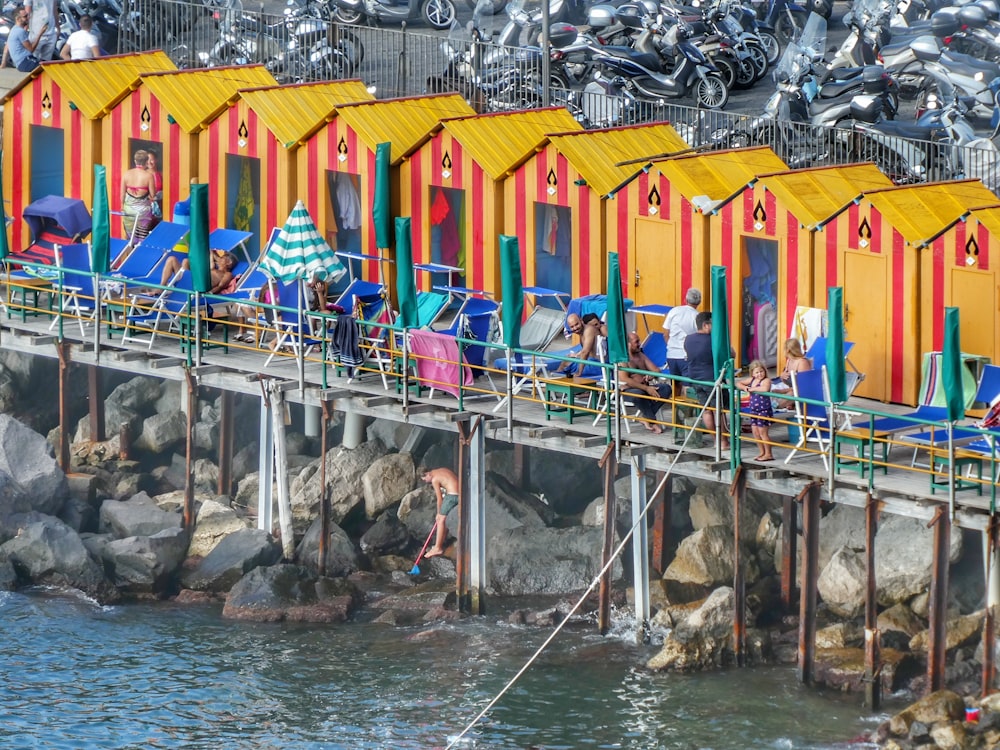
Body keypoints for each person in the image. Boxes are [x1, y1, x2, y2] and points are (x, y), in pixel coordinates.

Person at [685, 311, 729, 450]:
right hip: (711, 379)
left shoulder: (688, 339)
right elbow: (730, 354)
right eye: (713, 324)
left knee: (706, 411)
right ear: (705, 325)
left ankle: (716, 440)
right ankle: (723, 442)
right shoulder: (713, 340)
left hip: (695, 378)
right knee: (718, 411)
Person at [620, 331, 673, 433]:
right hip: (629, 390)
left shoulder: (640, 355)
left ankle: (645, 418)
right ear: (628, 343)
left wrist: (651, 375)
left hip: (646, 388)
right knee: (639, 395)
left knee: (666, 389)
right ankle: (652, 421)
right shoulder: (623, 359)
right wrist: (647, 388)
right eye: (636, 342)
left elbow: (657, 370)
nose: (639, 344)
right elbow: (625, 379)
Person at [738, 359, 774, 461]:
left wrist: (752, 389)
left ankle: (768, 453)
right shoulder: (752, 380)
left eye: (761, 371)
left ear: (765, 371)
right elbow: (739, 383)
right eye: (757, 372)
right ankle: (762, 452)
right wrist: (744, 387)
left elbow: (765, 389)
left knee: (763, 433)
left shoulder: (766, 380)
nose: (759, 374)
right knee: (756, 433)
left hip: (763, 410)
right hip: (754, 409)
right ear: (752, 373)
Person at [662, 288, 701, 378]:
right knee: (687, 385)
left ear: (686, 299)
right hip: (686, 356)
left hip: (671, 355)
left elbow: (665, 334)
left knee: (675, 385)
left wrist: (672, 346)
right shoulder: (697, 317)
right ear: (699, 302)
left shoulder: (674, 311)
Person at [421, 467, 459, 559]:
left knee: (440, 520)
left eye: (425, 480)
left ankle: (438, 548)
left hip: (453, 496)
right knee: (442, 519)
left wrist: (439, 513)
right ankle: (441, 542)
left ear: (428, 474)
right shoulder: (442, 470)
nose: (427, 482)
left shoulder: (434, 479)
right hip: (461, 493)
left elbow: (439, 499)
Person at [120, 149, 157, 241]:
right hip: (143, 212)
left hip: (128, 210)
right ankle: (139, 252)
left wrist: (122, 206)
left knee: (130, 237)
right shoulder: (148, 176)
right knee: (142, 237)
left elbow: (122, 195)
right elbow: (153, 195)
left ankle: (130, 253)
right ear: (146, 162)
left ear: (135, 161)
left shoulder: (126, 174)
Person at [159, 251, 236, 293]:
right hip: (192, 280)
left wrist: (209, 293)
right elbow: (212, 256)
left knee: (185, 261)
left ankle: (184, 282)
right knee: (172, 259)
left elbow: (220, 286)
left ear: (229, 262)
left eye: (222, 258)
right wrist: (212, 252)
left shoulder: (227, 274)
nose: (219, 259)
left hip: (196, 286)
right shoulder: (213, 268)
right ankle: (161, 287)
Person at [1, 7, 47, 72]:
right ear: (18, 19)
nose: (28, 18)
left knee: (46, 63)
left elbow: (6, 48)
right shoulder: (20, 32)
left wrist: (3, 64)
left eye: (27, 15)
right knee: (48, 67)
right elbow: (31, 49)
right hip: (25, 62)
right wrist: (40, 34)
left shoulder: (13, 29)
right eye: (25, 16)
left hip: (20, 64)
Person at [774, 338, 812, 409]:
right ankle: (790, 405)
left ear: (788, 350)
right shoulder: (789, 360)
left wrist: (781, 391)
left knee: (777, 402)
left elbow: (803, 387)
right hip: (792, 390)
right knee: (769, 391)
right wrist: (782, 377)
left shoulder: (802, 363)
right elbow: (789, 382)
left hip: (801, 392)